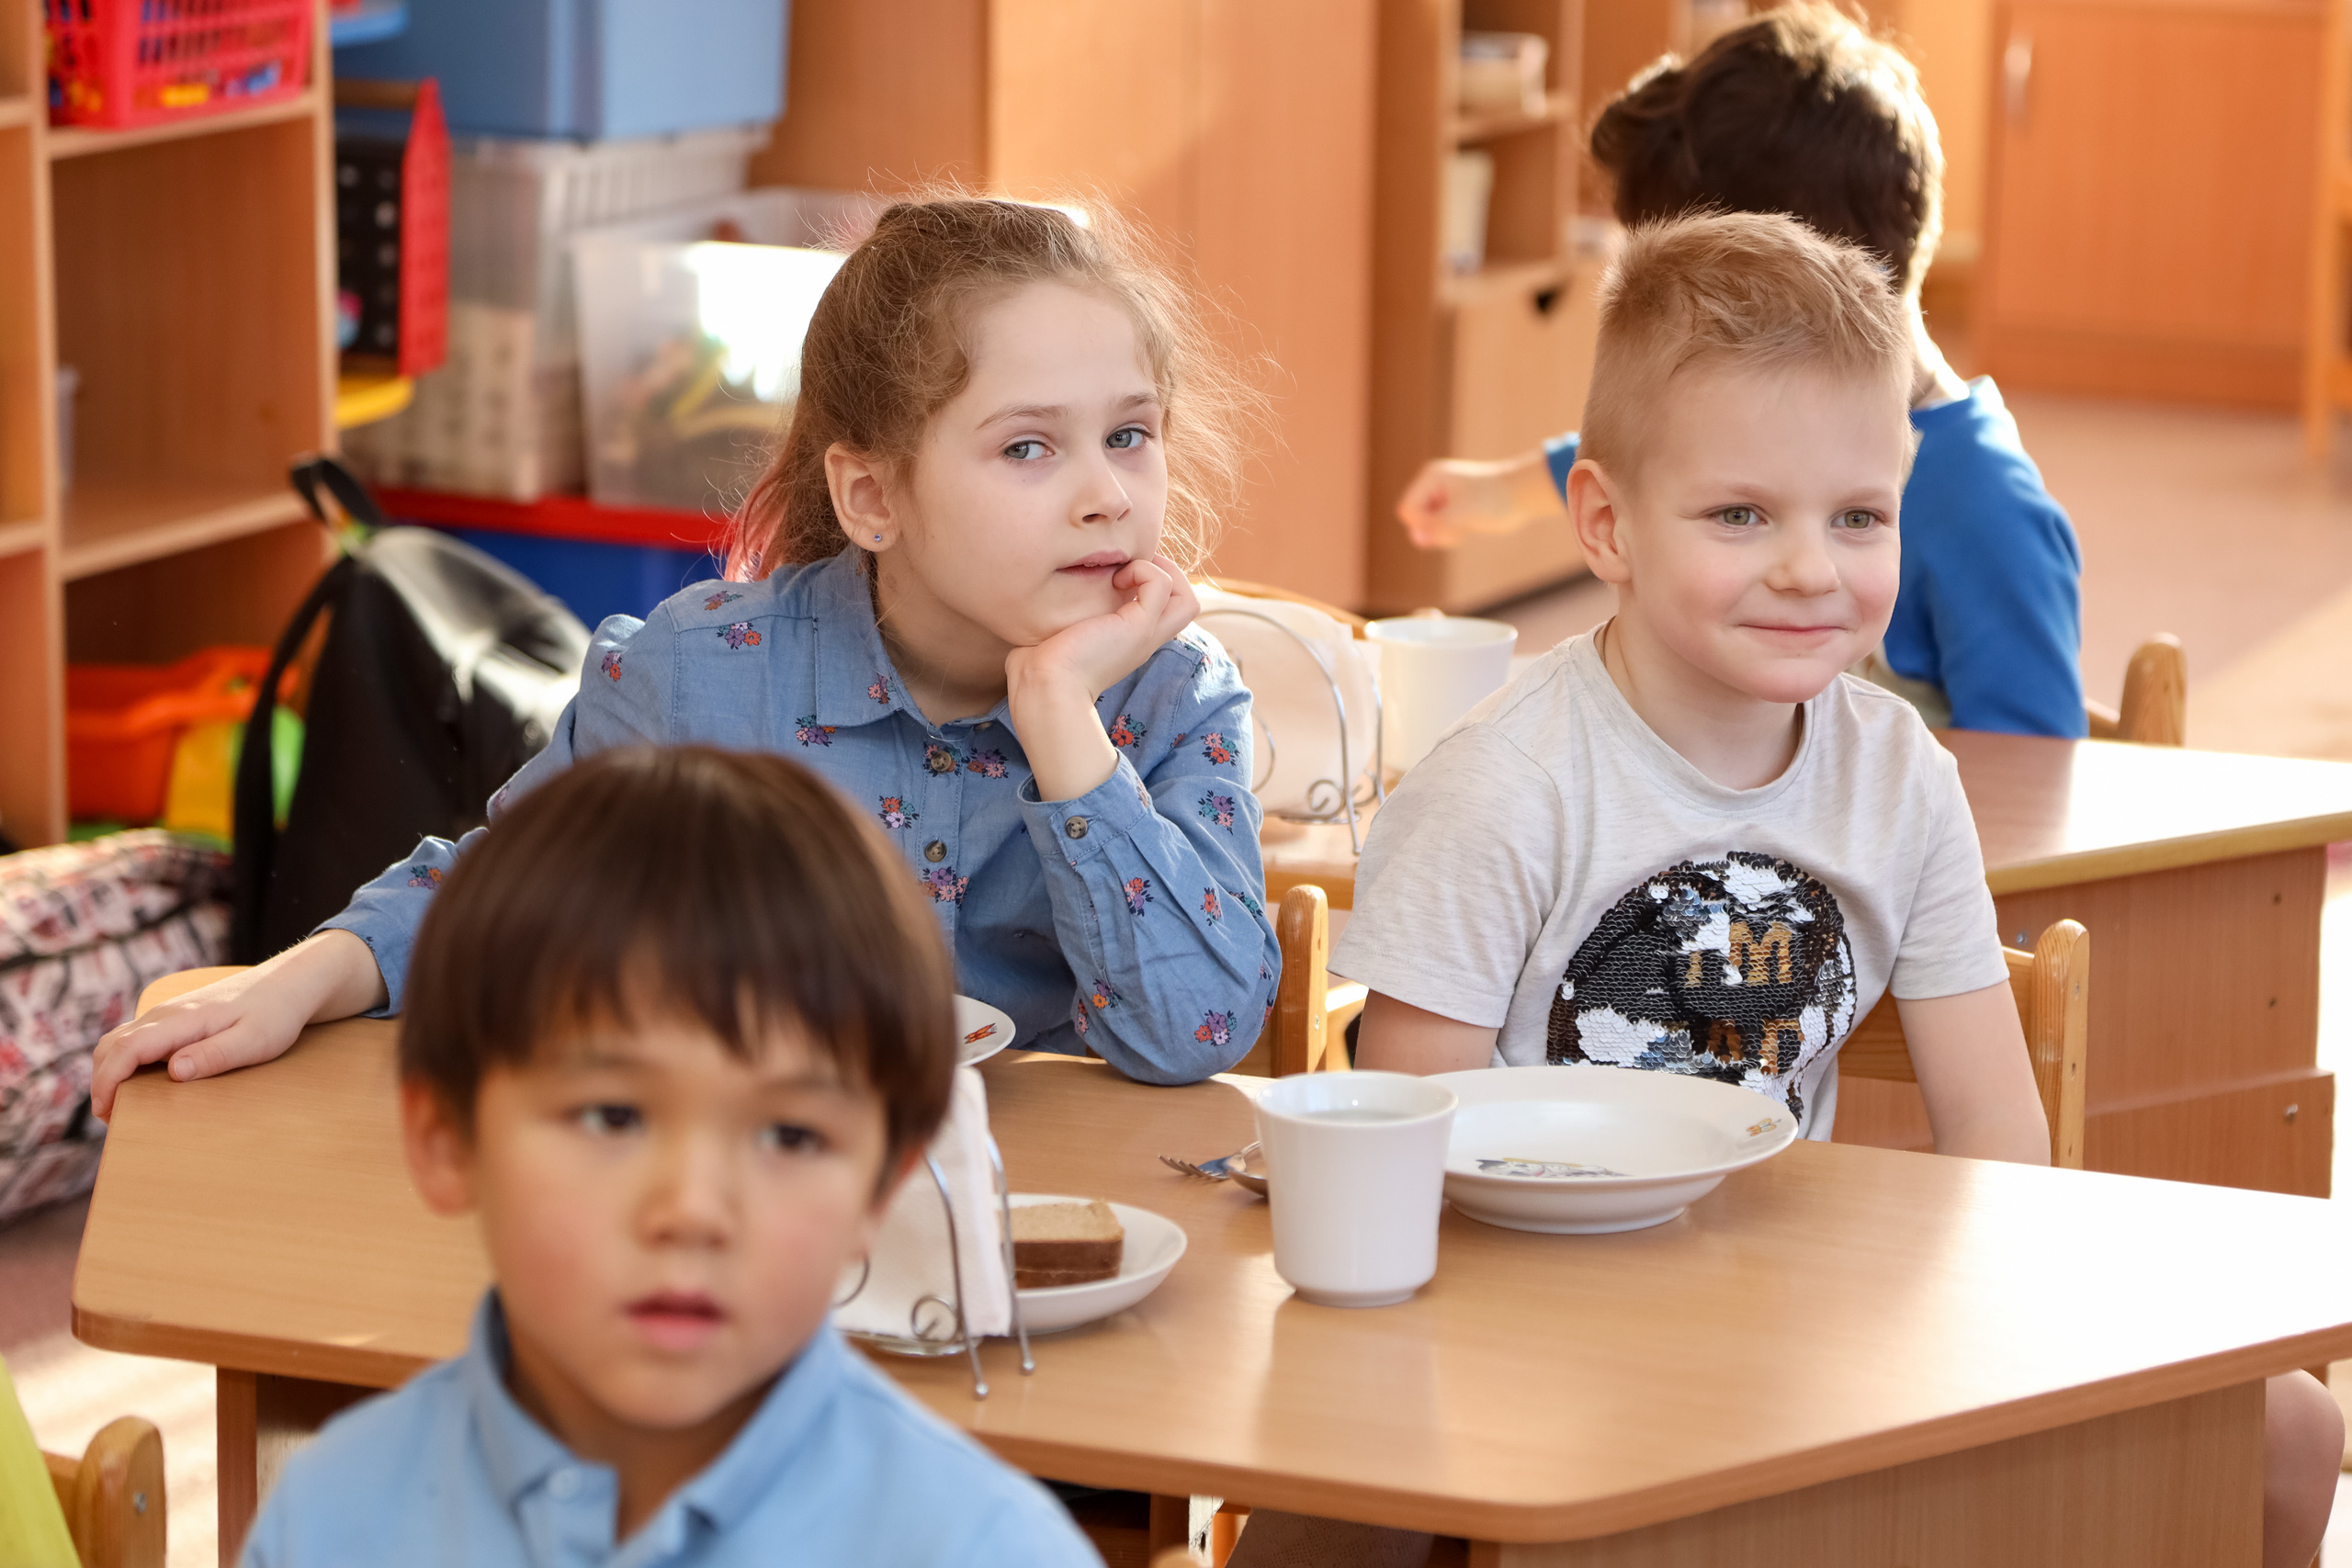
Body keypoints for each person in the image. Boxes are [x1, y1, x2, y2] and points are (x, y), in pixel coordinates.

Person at [1325, 211, 2337, 1568]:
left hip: (1795, 1316)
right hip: (1533, 1326)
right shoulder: (1505, 787)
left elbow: (1993, 1130)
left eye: (1857, 517)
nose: (1811, 565)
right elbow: (1407, 1153)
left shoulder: (1896, 770)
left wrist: (1955, 1344)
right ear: (1608, 523)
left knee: (2286, 1426)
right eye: (1742, 514)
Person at [90, 196, 1280, 1113]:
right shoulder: (706, 677)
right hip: (745, 1214)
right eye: (1028, 448)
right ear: (872, 495)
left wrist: (1061, 715)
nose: (1104, 496)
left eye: (1130, 435)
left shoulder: (1170, 695)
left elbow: (1197, 1030)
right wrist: (295, 978)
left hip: (1056, 1244)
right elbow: (506, 891)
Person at [238, 746, 1101, 1565]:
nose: (692, 1208)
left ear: (888, 1182)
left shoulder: (986, 1548)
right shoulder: (330, 1521)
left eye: (789, 1135)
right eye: (613, 1116)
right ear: (445, 1138)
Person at [1394, 2, 2086, 739]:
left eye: (1857, 518)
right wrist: (1501, 492)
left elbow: (2039, 786)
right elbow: (1672, 451)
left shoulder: (1985, 514)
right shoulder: (1776, 426)